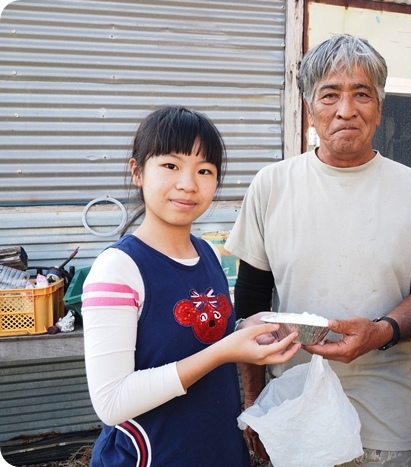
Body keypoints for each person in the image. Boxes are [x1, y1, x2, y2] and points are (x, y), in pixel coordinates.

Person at [225, 34, 411, 466]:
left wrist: (381, 332)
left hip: (394, 423)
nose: (346, 110)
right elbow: (251, 306)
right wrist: (256, 409)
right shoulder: (272, 186)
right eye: (330, 94)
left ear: (380, 107)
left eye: (362, 94)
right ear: (309, 108)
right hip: (299, 415)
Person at [81, 106, 301, 467]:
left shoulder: (209, 254)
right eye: (171, 166)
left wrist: (247, 328)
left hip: (219, 453)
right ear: (137, 171)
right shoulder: (118, 268)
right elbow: (111, 402)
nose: (188, 183)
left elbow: (201, 335)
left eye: (204, 171)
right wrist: (226, 351)